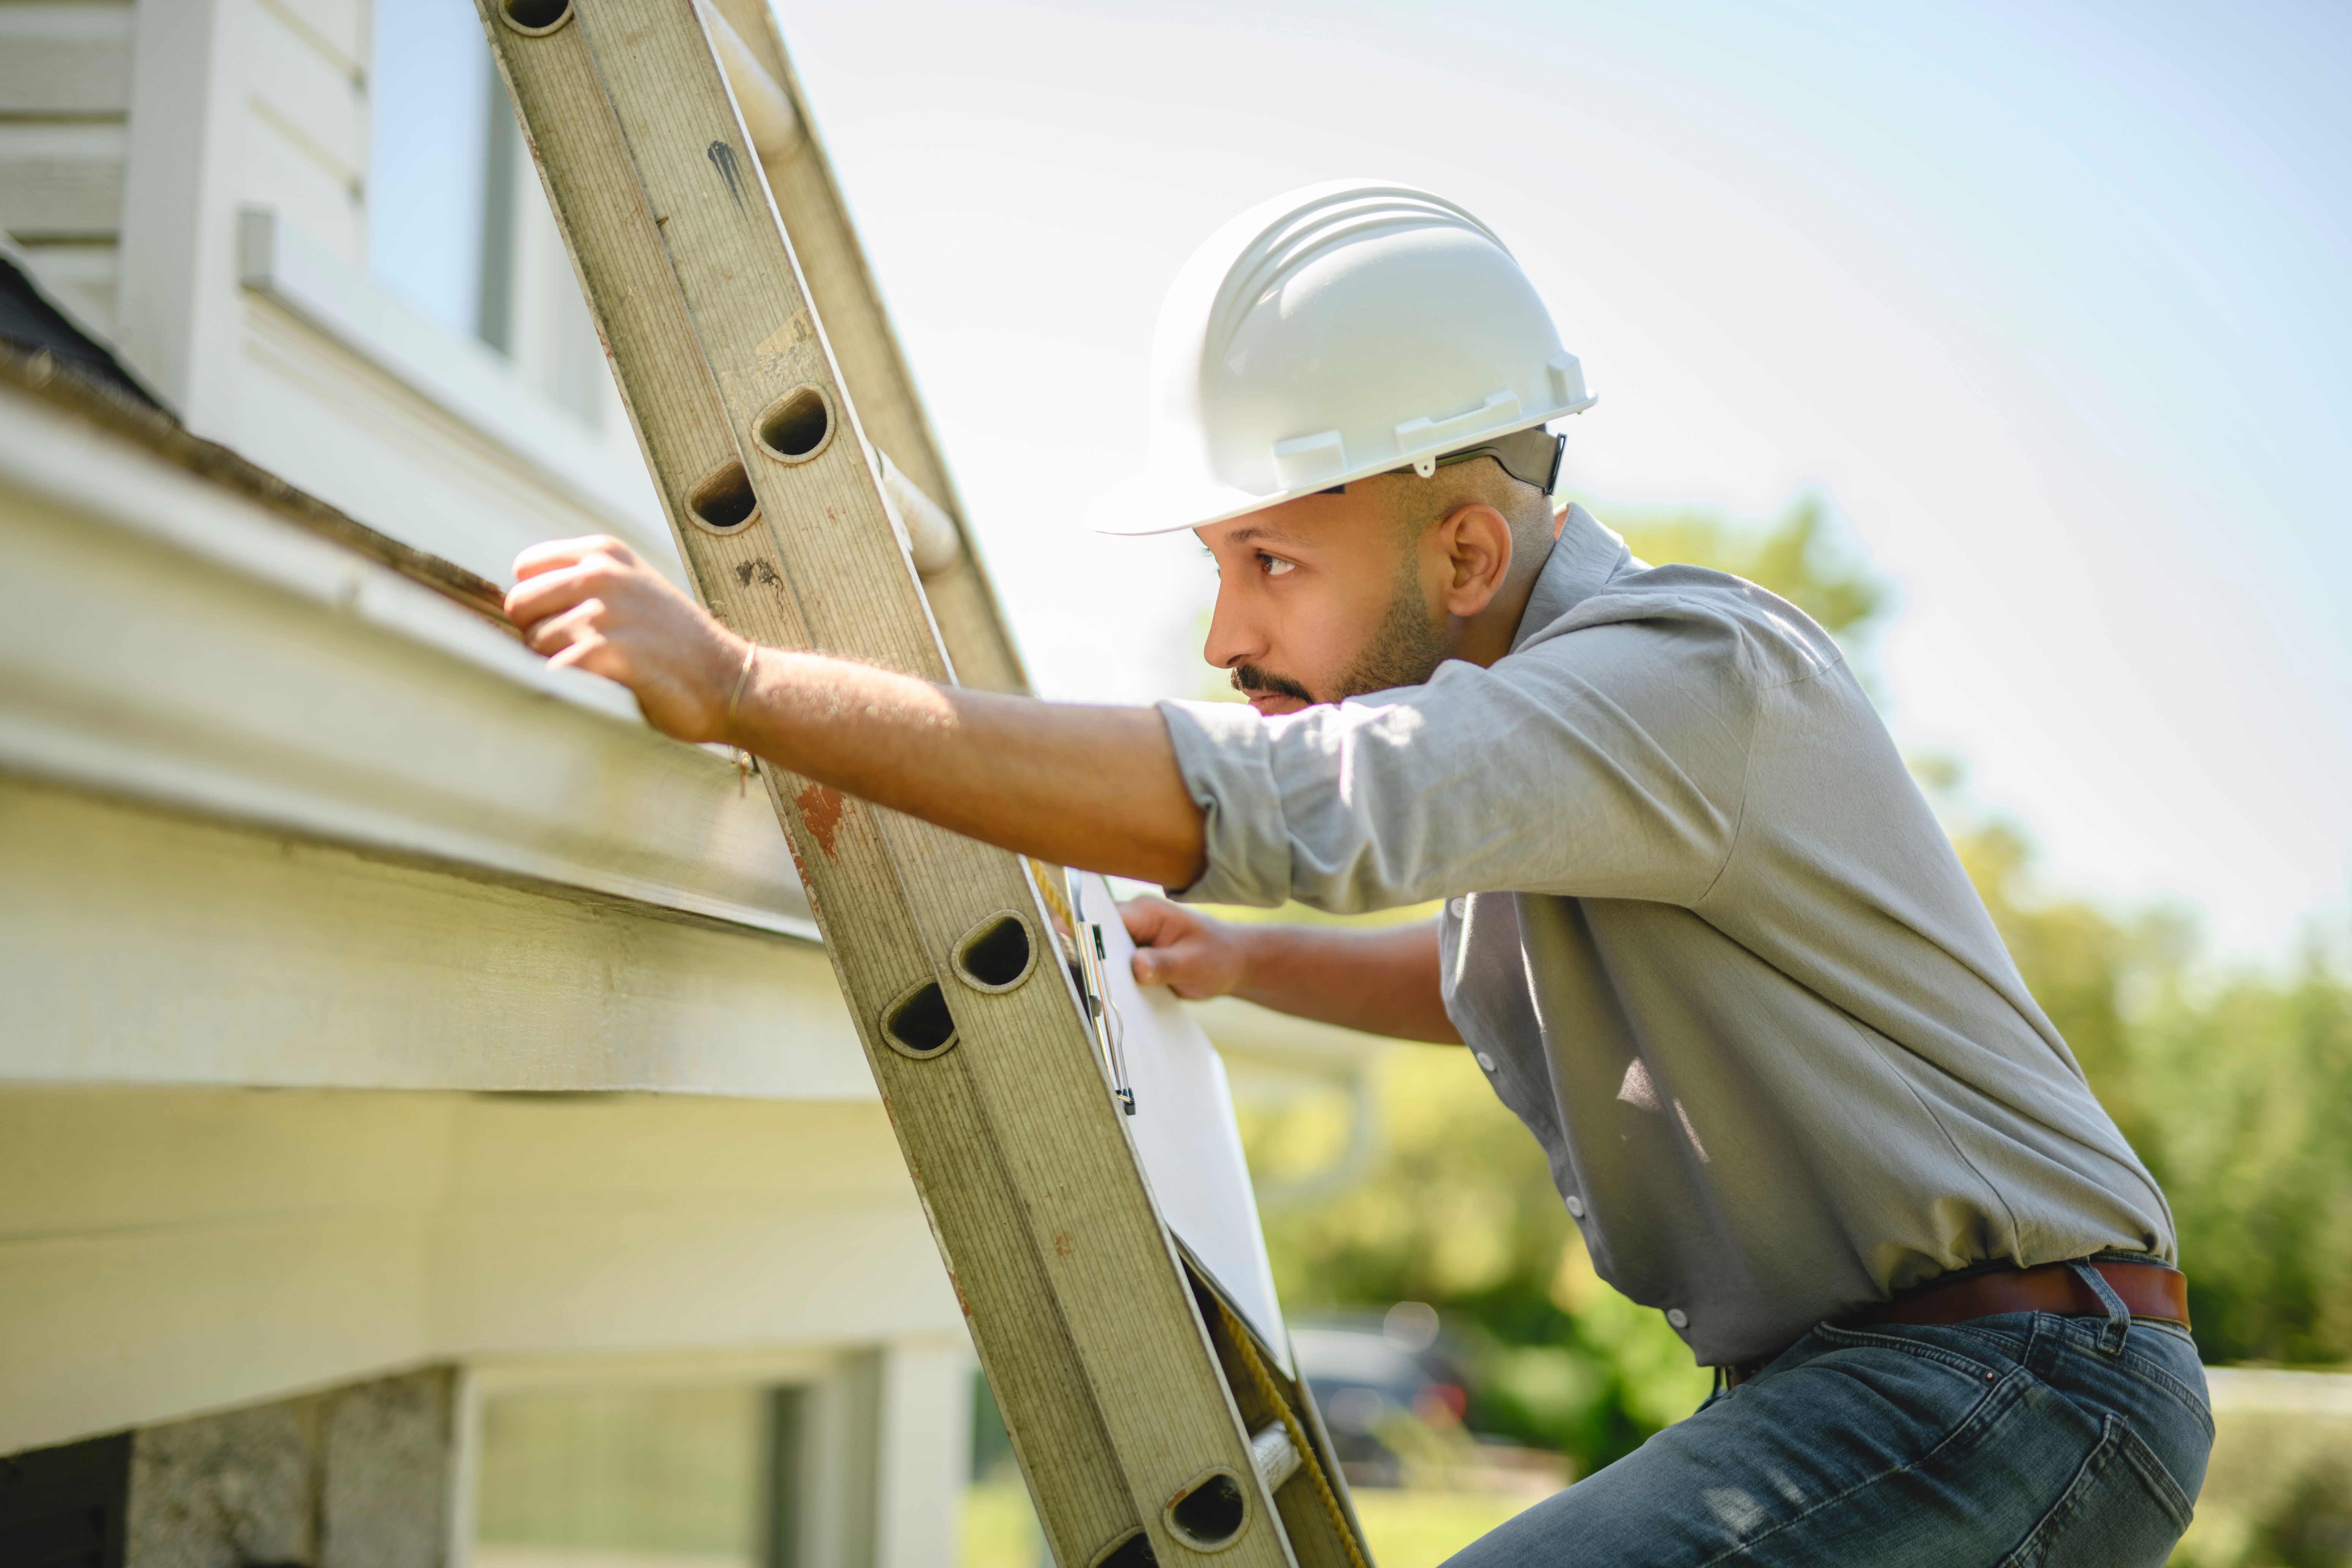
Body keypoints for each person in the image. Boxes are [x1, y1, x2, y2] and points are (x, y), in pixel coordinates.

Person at [504, 182, 2210, 1565]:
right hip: (1913, 1375)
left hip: (2015, 1372)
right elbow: (1507, 979)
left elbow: (1292, 801)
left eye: (1270, 561)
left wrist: (747, 689)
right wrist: (1253, 966)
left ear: (1466, 547)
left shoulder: (1682, 677)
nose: (1227, 631)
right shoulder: (1575, 744)